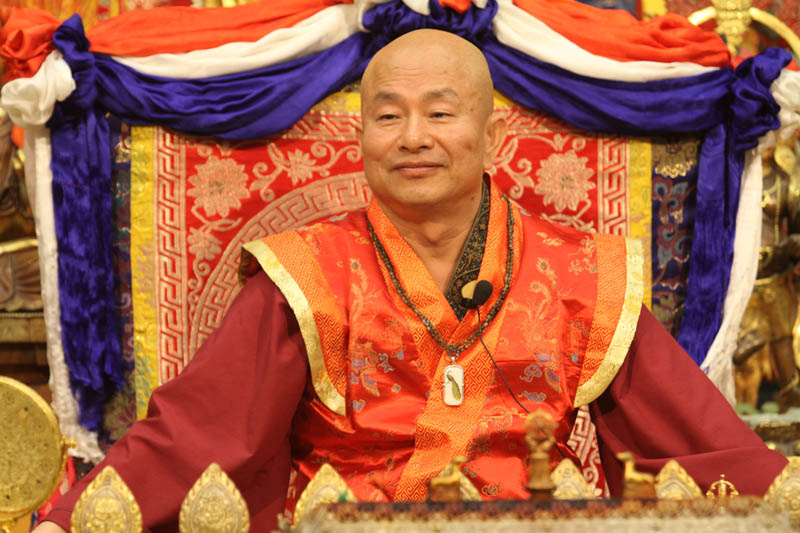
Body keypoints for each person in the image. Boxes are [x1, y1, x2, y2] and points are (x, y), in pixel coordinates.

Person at [36, 29, 787, 533]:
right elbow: (201, 431)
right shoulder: (306, 273)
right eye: (388, 116)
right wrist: (65, 522)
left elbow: (698, 440)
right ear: (361, 137)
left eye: (441, 113)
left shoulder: (581, 273)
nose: (414, 138)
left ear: (492, 138)